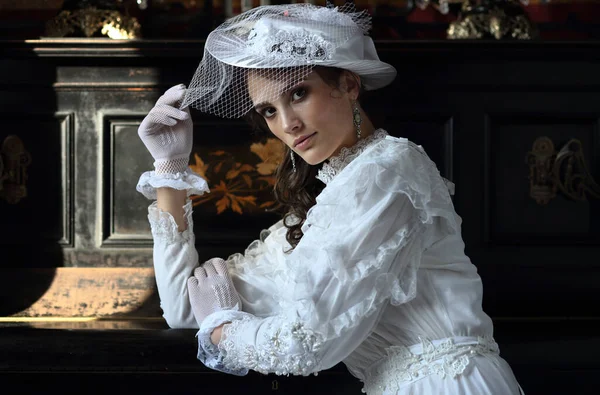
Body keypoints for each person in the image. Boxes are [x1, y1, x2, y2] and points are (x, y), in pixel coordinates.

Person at [136, 3, 525, 394]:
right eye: (269, 110)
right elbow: (184, 307)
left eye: (299, 93)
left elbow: (308, 343)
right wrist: (170, 167)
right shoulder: (319, 214)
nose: (288, 124)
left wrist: (222, 329)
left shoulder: (388, 169)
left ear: (349, 85)